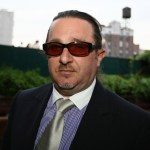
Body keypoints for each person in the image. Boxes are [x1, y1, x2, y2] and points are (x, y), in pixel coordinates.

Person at [1, 10, 150, 150]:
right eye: (54, 47)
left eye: (78, 47)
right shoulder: (22, 102)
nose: (64, 58)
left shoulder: (136, 124)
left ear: (99, 56)